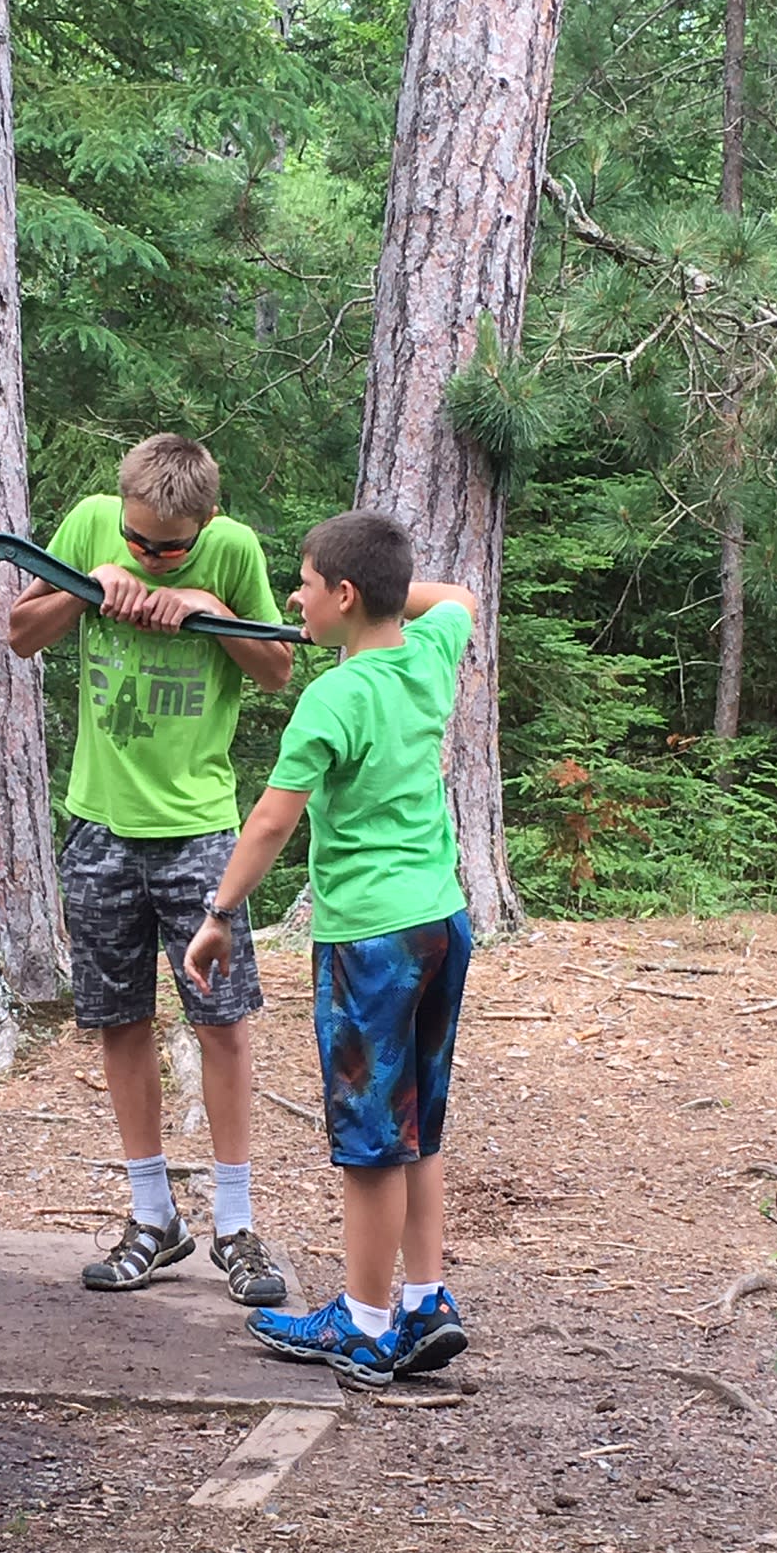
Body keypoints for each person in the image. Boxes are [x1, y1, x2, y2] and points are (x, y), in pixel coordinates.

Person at [183, 510, 476, 1386]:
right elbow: (456, 597)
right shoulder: (428, 658)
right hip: (442, 920)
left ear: (342, 596)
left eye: (305, 584)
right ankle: (424, 1302)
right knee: (418, 1122)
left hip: (370, 941)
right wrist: (385, 592)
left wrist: (220, 913)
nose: (292, 599)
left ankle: (363, 1323)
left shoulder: (334, 697)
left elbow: (274, 817)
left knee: (370, 1140)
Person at [8, 433, 293, 1305]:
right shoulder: (93, 525)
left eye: (170, 547)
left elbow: (278, 668)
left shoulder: (235, 550)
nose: (151, 555)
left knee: (222, 1022)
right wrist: (94, 589)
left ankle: (236, 1226)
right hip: (99, 823)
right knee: (118, 1020)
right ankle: (151, 1214)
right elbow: (21, 633)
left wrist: (204, 602)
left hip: (199, 828)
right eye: (139, 541)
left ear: (205, 525)